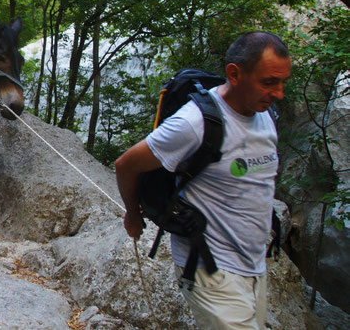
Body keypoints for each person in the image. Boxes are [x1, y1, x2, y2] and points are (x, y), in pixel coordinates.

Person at [115, 32, 291, 329]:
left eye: (281, 81)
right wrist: (133, 215)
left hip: (254, 268)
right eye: (269, 82)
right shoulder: (193, 123)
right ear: (234, 74)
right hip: (210, 269)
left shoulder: (266, 116)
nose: (279, 93)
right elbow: (126, 164)